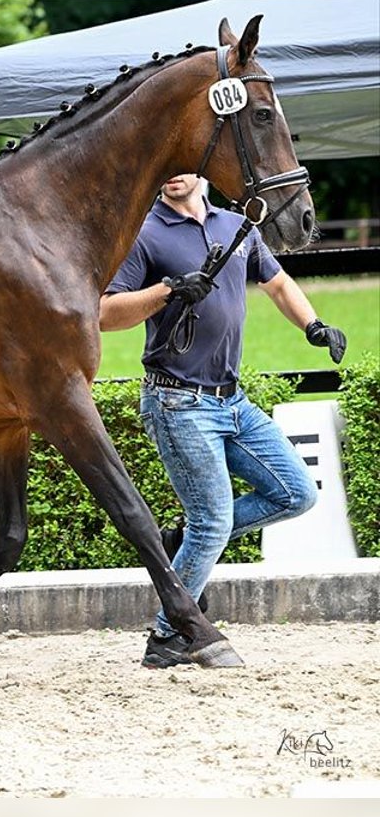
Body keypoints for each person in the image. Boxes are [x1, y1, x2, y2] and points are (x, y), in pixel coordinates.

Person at [100, 174, 347, 669]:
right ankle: (168, 636)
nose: (175, 174)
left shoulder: (237, 225)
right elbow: (105, 312)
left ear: (203, 174)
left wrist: (313, 325)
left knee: (296, 493)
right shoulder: (145, 233)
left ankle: (181, 542)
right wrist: (168, 291)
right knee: (211, 522)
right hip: (178, 402)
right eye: (167, 168)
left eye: (185, 166)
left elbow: (276, 283)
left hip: (234, 402)